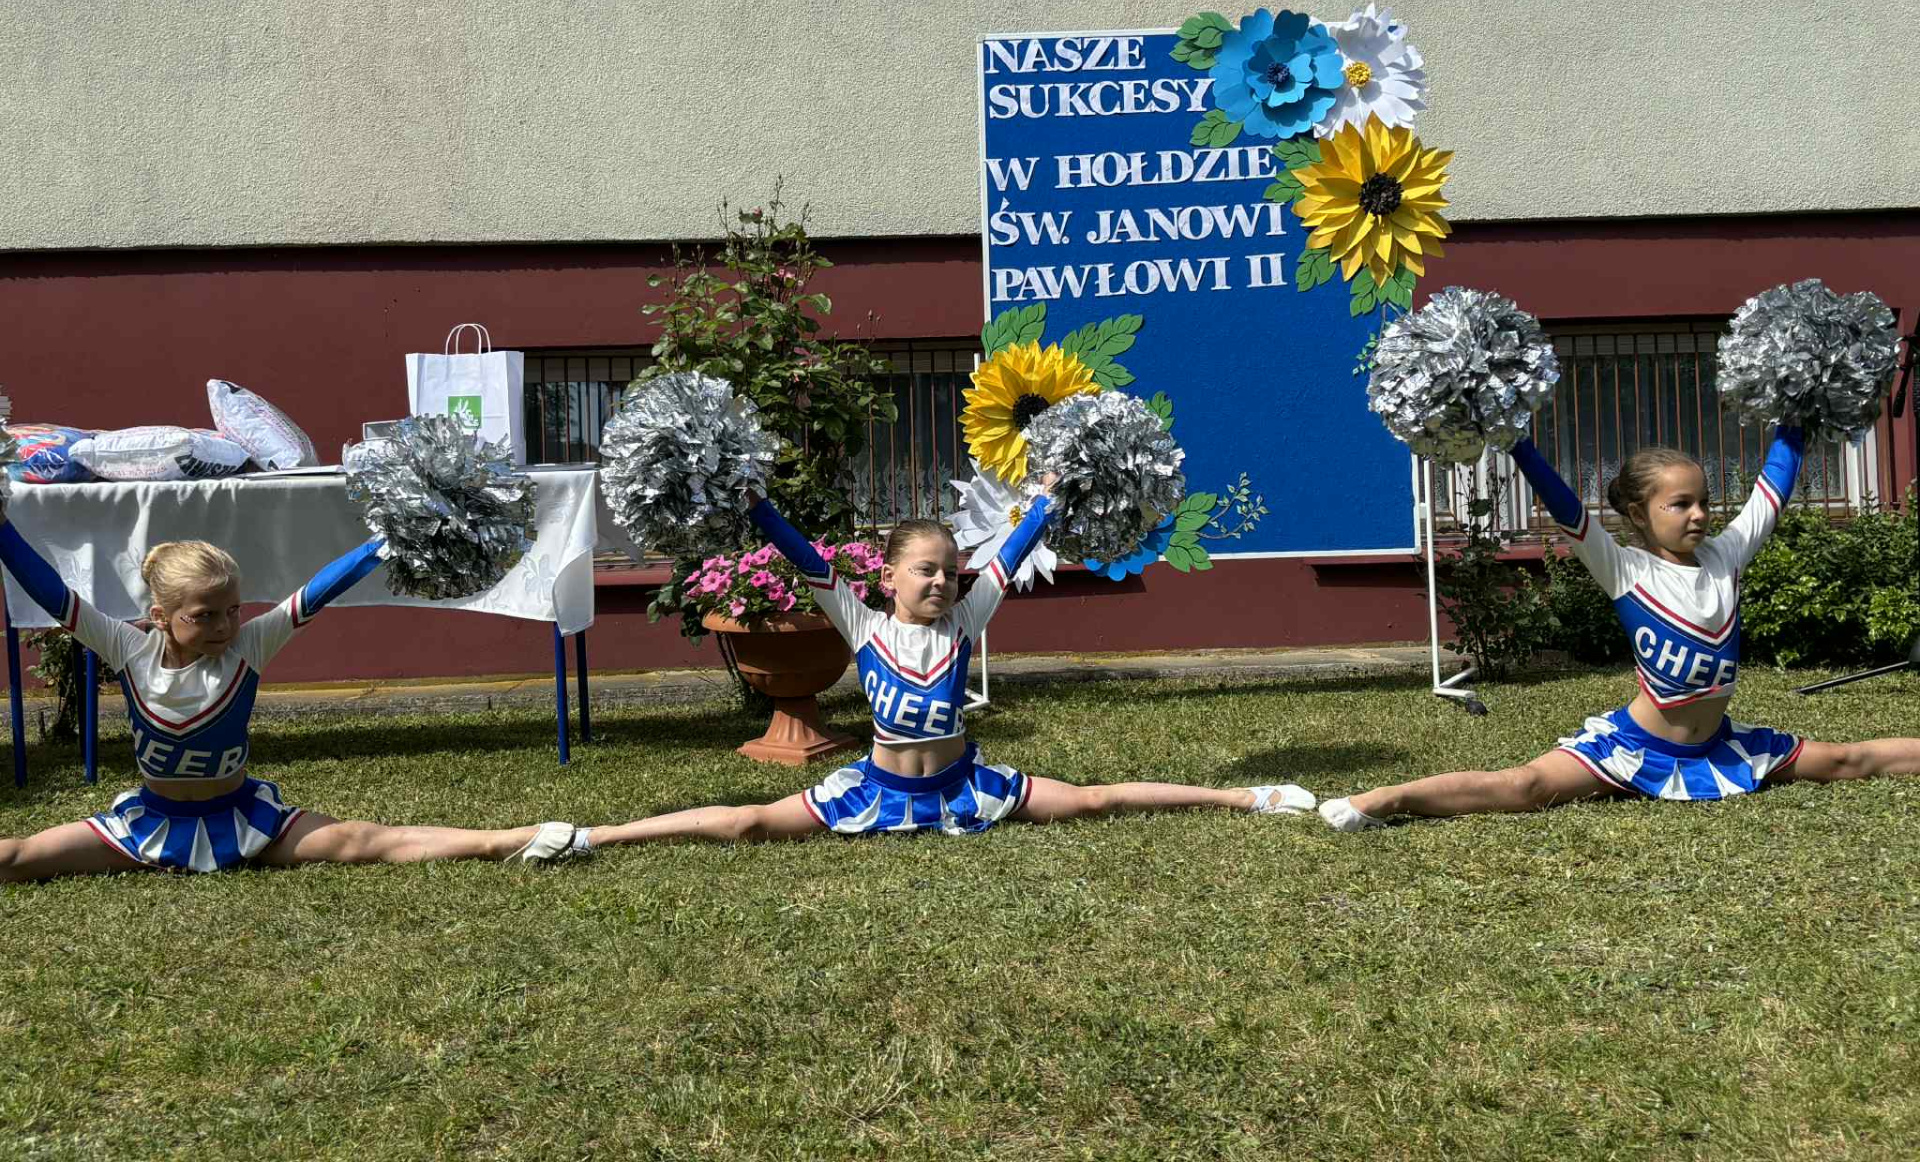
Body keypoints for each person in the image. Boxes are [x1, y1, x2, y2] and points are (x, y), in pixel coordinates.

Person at [569, 484, 1316, 854]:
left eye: (949, 572)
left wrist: (1047, 500)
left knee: (1093, 800)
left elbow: (1012, 553)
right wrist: (757, 506)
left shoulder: (966, 619)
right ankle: (596, 836)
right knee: (747, 821)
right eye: (924, 570)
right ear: (889, 576)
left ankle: (1246, 797)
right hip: (876, 790)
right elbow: (807, 558)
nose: (940, 581)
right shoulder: (862, 624)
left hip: (966, 787)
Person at [1319, 427, 1920, 831]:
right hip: (1636, 749)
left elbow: (1773, 488)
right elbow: (1566, 508)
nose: (1699, 515)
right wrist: (1517, 441)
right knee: (1526, 786)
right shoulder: (1625, 569)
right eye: (1679, 504)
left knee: (1846, 759)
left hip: (1720, 745)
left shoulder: (1727, 556)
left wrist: (1797, 414)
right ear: (1638, 513)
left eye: (1703, 501)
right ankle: (1391, 797)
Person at [0, 524, 579, 881]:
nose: (224, 625)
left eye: (233, 610)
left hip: (248, 822)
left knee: (366, 841)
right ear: (160, 617)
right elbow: (53, 595)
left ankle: (512, 838)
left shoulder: (249, 646)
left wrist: (389, 538)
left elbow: (318, 591)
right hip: (149, 824)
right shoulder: (127, 649)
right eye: (204, 615)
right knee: (16, 858)